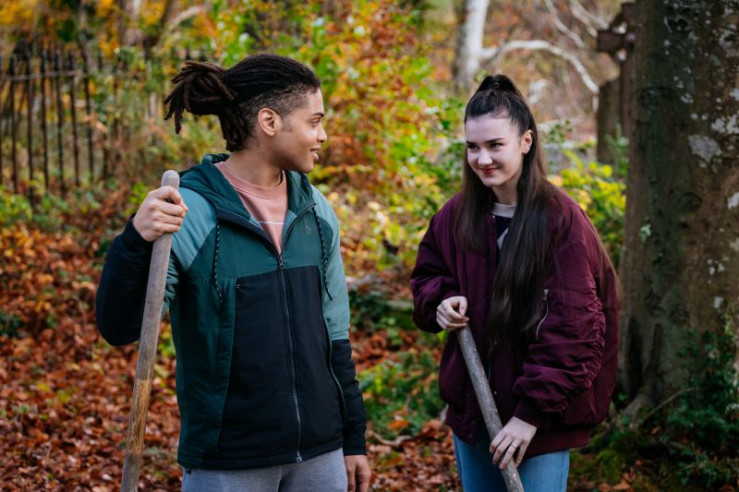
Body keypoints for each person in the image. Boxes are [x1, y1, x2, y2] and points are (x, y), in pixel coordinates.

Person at [96, 54, 371, 492]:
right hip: (228, 461)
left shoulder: (316, 212)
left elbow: (336, 336)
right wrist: (135, 240)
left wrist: (352, 437)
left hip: (320, 455)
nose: (322, 135)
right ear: (269, 121)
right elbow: (121, 327)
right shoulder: (190, 210)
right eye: (314, 121)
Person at [409, 74, 618, 491]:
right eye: (472, 147)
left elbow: (575, 329)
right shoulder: (457, 215)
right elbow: (428, 276)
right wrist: (442, 302)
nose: (482, 158)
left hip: (539, 423)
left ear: (525, 141)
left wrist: (528, 417)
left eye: (495, 145)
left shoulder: (560, 221)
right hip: (474, 409)